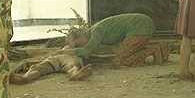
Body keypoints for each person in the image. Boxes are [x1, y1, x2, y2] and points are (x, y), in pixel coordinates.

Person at [10, 13, 163, 85]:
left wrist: (69, 52)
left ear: (82, 34)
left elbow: (89, 52)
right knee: (40, 67)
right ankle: (24, 78)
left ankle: (154, 50)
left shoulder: (95, 32)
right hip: (140, 25)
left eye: (78, 44)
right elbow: (47, 59)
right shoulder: (91, 35)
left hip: (139, 27)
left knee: (118, 62)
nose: (80, 46)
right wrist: (30, 62)